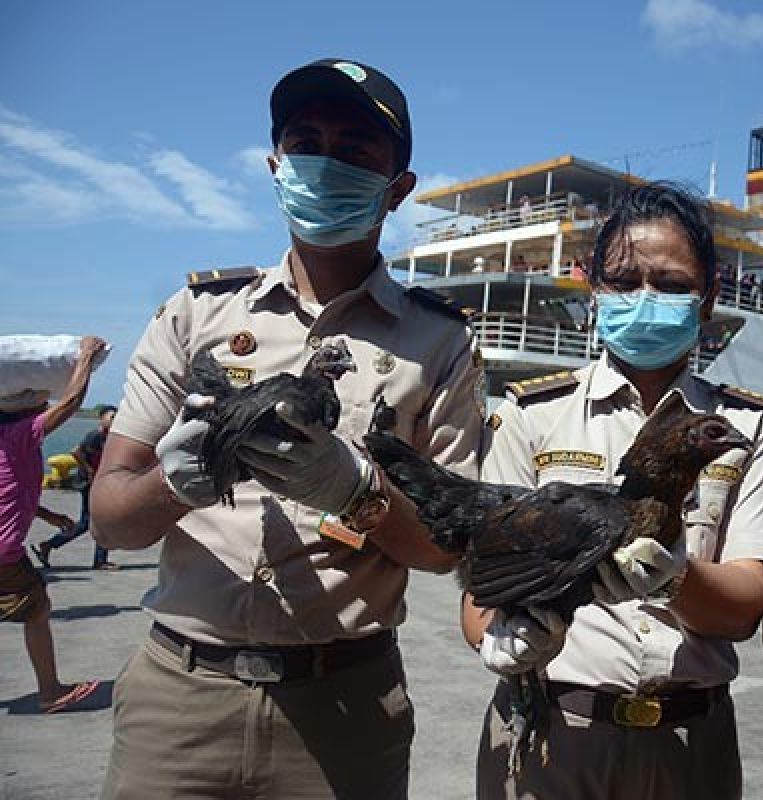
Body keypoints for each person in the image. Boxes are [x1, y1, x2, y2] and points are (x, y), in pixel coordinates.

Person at [90, 59, 484, 799]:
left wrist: (357, 490)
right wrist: (177, 483)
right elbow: (110, 520)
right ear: (275, 166)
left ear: (397, 190)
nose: (324, 164)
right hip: (178, 695)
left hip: (346, 706)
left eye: (355, 152)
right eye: (306, 142)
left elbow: (446, 548)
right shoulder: (197, 312)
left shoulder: (441, 344)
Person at [463, 182, 763, 799]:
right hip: (550, 735)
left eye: (670, 285)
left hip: (690, 744)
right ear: (594, 290)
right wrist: (508, 637)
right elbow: (480, 597)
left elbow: (747, 602)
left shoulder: (748, 430)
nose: (645, 298)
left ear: (709, 299)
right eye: (622, 280)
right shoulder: (531, 415)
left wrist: (672, 576)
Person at [1, 335, 107, 713]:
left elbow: (12, 491)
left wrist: (47, 516)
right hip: (3, 554)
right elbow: (71, 404)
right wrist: (85, 359)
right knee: (37, 610)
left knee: (34, 607)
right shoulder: (19, 436)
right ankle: (50, 692)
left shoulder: (8, 442)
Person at [32, 404, 118, 570]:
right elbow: (76, 452)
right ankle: (98, 560)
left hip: (99, 483)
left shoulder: (111, 437)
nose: (114, 419)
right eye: (111, 416)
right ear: (102, 419)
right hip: (88, 483)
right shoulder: (96, 435)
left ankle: (50, 545)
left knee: (92, 522)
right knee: (94, 521)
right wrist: (89, 470)